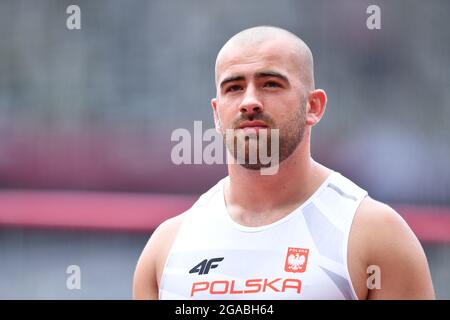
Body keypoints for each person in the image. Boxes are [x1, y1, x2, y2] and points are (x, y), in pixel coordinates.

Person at [133, 26, 435, 300]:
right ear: (216, 114)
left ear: (313, 107)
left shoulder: (375, 235)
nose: (249, 101)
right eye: (234, 88)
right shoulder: (166, 249)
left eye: (271, 84)